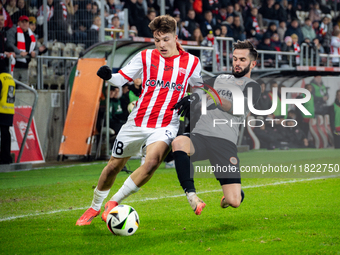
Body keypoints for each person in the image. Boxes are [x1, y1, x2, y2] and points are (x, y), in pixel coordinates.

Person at [76, 15, 204, 226]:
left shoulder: (192, 62)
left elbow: (199, 91)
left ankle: (114, 202)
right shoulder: (145, 56)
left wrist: (193, 97)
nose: (161, 44)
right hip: (137, 121)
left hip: (166, 124)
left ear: (175, 37)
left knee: (152, 162)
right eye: (157, 40)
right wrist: (108, 75)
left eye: (166, 39)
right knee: (113, 167)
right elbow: (120, 79)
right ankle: (94, 206)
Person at [171, 40, 261, 215]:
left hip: (225, 143)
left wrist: (215, 96)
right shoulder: (219, 79)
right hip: (201, 136)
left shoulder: (253, 87)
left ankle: (231, 195)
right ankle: (191, 195)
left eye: (242, 60)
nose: (237, 63)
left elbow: (238, 108)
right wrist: (194, 97)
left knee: (234, 201)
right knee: (179, 142)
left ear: (253, 63)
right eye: (235, 59)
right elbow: (198, 86)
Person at [7, 15, 38, 85]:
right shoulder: (13, 31)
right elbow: (9, 44)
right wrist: (19, 52)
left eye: (26, 22)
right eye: (22, 22)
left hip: (25, 67)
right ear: (18, 23)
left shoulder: (31, 35)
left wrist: (35, 52)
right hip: (14, 66)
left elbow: (36, 49)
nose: (24, 24)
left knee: (24, 88)